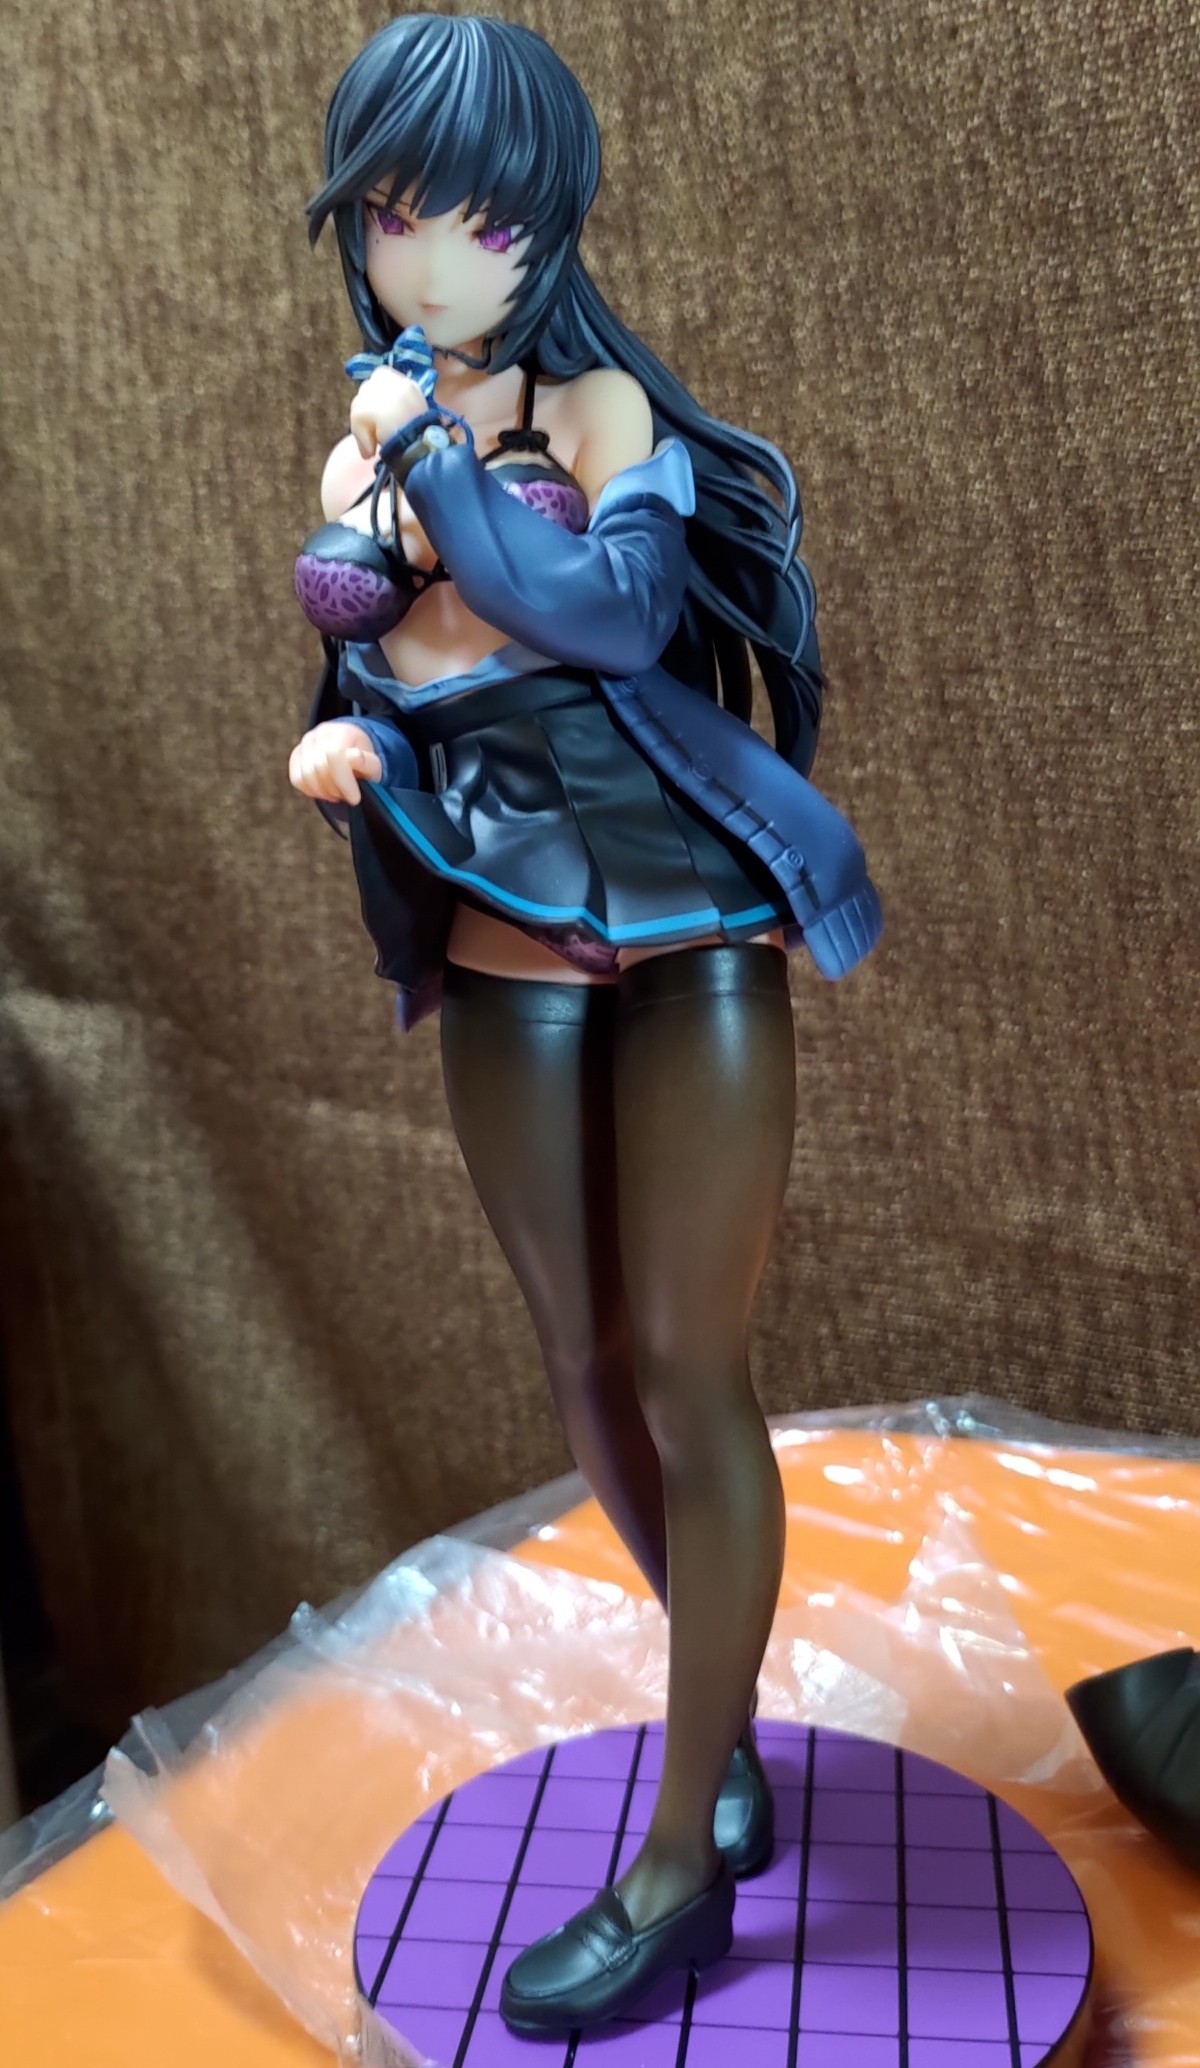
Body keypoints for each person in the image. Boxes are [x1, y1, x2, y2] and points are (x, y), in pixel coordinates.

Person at [289, 12, 882, 2037]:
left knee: (696, 1365)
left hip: (688, 924)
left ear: (546, 221)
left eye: (475, 216)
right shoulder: (369, 439)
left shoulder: (593, 406)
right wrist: (346, 744)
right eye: (393, 212)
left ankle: (674, 1873)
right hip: (501, 941)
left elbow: (609, 619)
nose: (429, 255)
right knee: (586, 1359)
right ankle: (721, 1733)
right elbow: (392, 662)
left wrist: (437, 462)